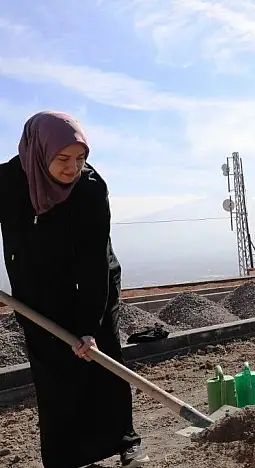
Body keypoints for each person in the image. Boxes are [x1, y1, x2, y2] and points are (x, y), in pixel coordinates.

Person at [0, 111, 148, 467]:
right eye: (63, 159)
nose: (73, 168)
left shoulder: (89, 190)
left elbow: (93, 264)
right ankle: (64, 456)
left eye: (81, 158)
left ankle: (124, 440)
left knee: (103, 360)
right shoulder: (7, 180)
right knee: (52, 374)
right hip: (36, 292)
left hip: (92, 285)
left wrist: (87, 328)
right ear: (38, 152)